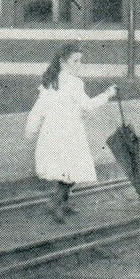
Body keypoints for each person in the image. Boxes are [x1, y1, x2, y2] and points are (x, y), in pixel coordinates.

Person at [25, 44, 117, 222]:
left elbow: (39, 110)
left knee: (65, 169)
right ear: (63, 62)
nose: (79, 65)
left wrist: (31, 130)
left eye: (80, 61)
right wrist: (108, 94)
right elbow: (88, 105)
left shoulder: (51, 81)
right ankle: (55, 203)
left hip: (52, 131)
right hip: (69, 132)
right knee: (72, 169)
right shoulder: (74, 83)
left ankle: (64, 202)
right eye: (75, 61)